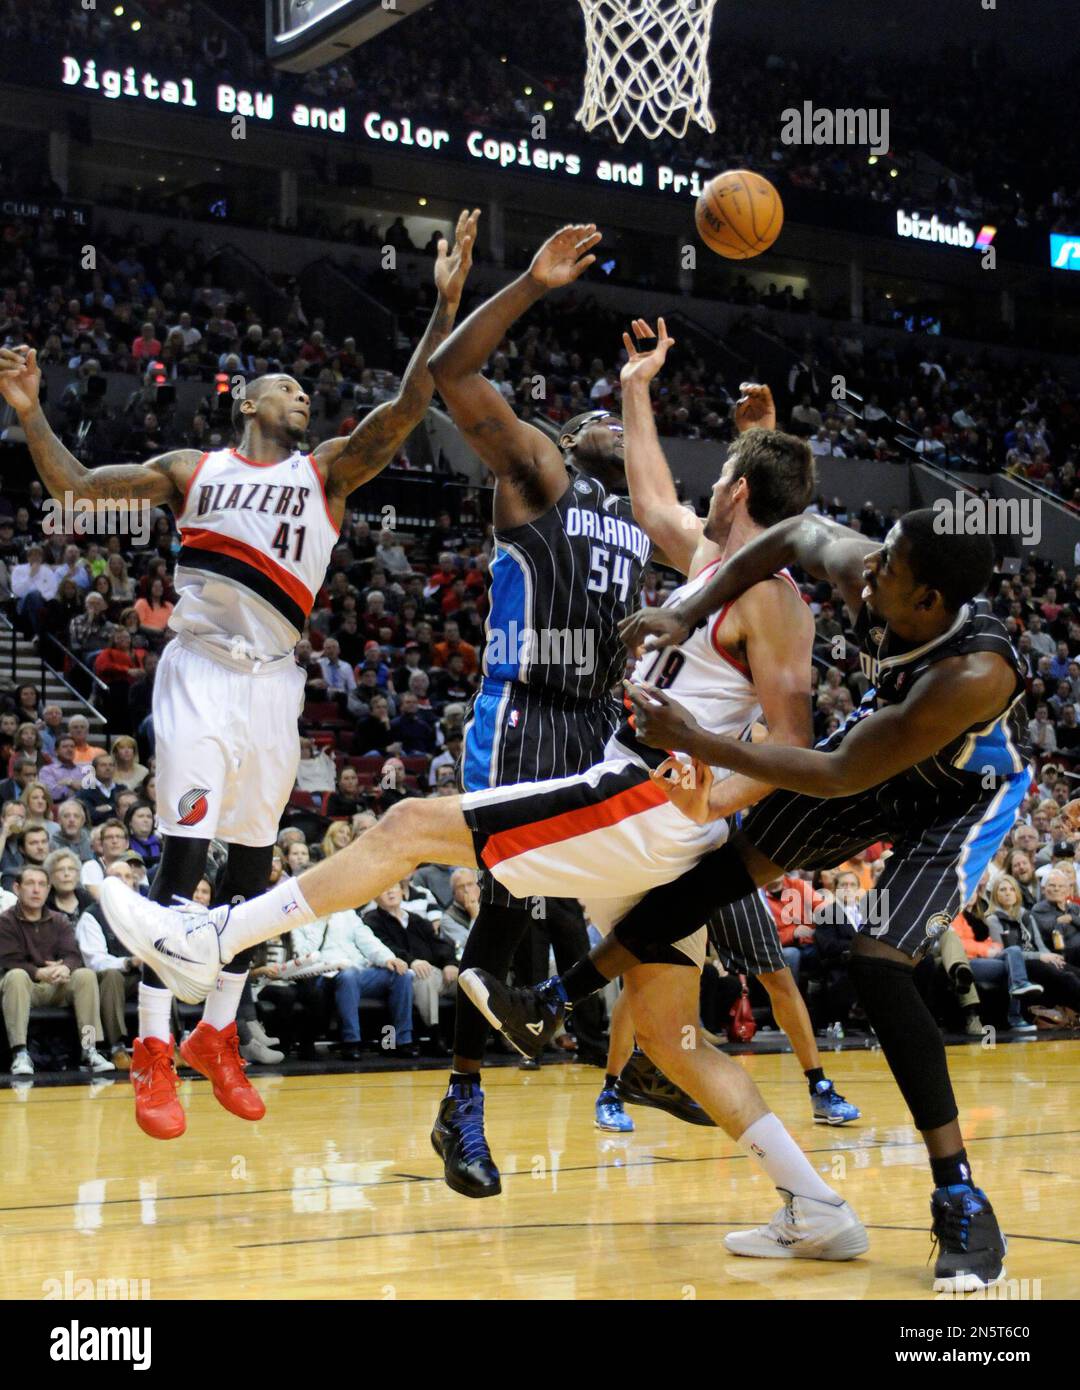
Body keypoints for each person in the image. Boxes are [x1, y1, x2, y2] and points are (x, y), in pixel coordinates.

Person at [0, 208, 476, 1139]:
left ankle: (215, 1033)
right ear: (248, 399)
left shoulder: (329, 473)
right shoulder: (193, 466)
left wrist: (445, 305)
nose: (304, 397)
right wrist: (29, 413)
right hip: (200, 671)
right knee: (183, 862)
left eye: (307, 391)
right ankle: (148, 1047)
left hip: (276, 683)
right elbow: (76, 491)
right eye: (288, 387)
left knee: (256, 875)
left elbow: (412, 403)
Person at [471, 506, 1033, 1291]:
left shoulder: (977, 671)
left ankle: (960, 1198)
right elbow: (794, 533)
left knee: (879, 963)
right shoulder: (874, 568)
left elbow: (839, 776)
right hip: (880, 753)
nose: (870, 574)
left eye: (891, 574)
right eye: (877, 559)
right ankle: (553, 1001)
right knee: (721, 873)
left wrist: (697, 740)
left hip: (958, 796)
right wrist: (685, 610)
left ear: (932, 603)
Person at [0, 863, 114, 1075]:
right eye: (30, 884)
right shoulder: (5, 922)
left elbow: (73, 954)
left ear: (48, 889)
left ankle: (89, 1049)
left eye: (42, 884)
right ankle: (20, 1053)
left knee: (85, 976)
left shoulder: (59, 920)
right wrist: (38, 972)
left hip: (56, 985)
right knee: (16, 976)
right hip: (26, 988)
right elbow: (9, 960)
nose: (36, 890)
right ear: (17, 888)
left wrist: (66, 967)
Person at [75, 859, 143, 1069]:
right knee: (112, 974)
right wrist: (129, 962)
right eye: (116, 877)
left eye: (128, 876)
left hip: (140, 975)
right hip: (106, 981)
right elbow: (95, 961)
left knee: (160, 973)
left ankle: (167, 1042)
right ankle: (117, 1047)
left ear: (134, 883)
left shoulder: (144, 912)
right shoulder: (92, 915)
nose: (123, 881)